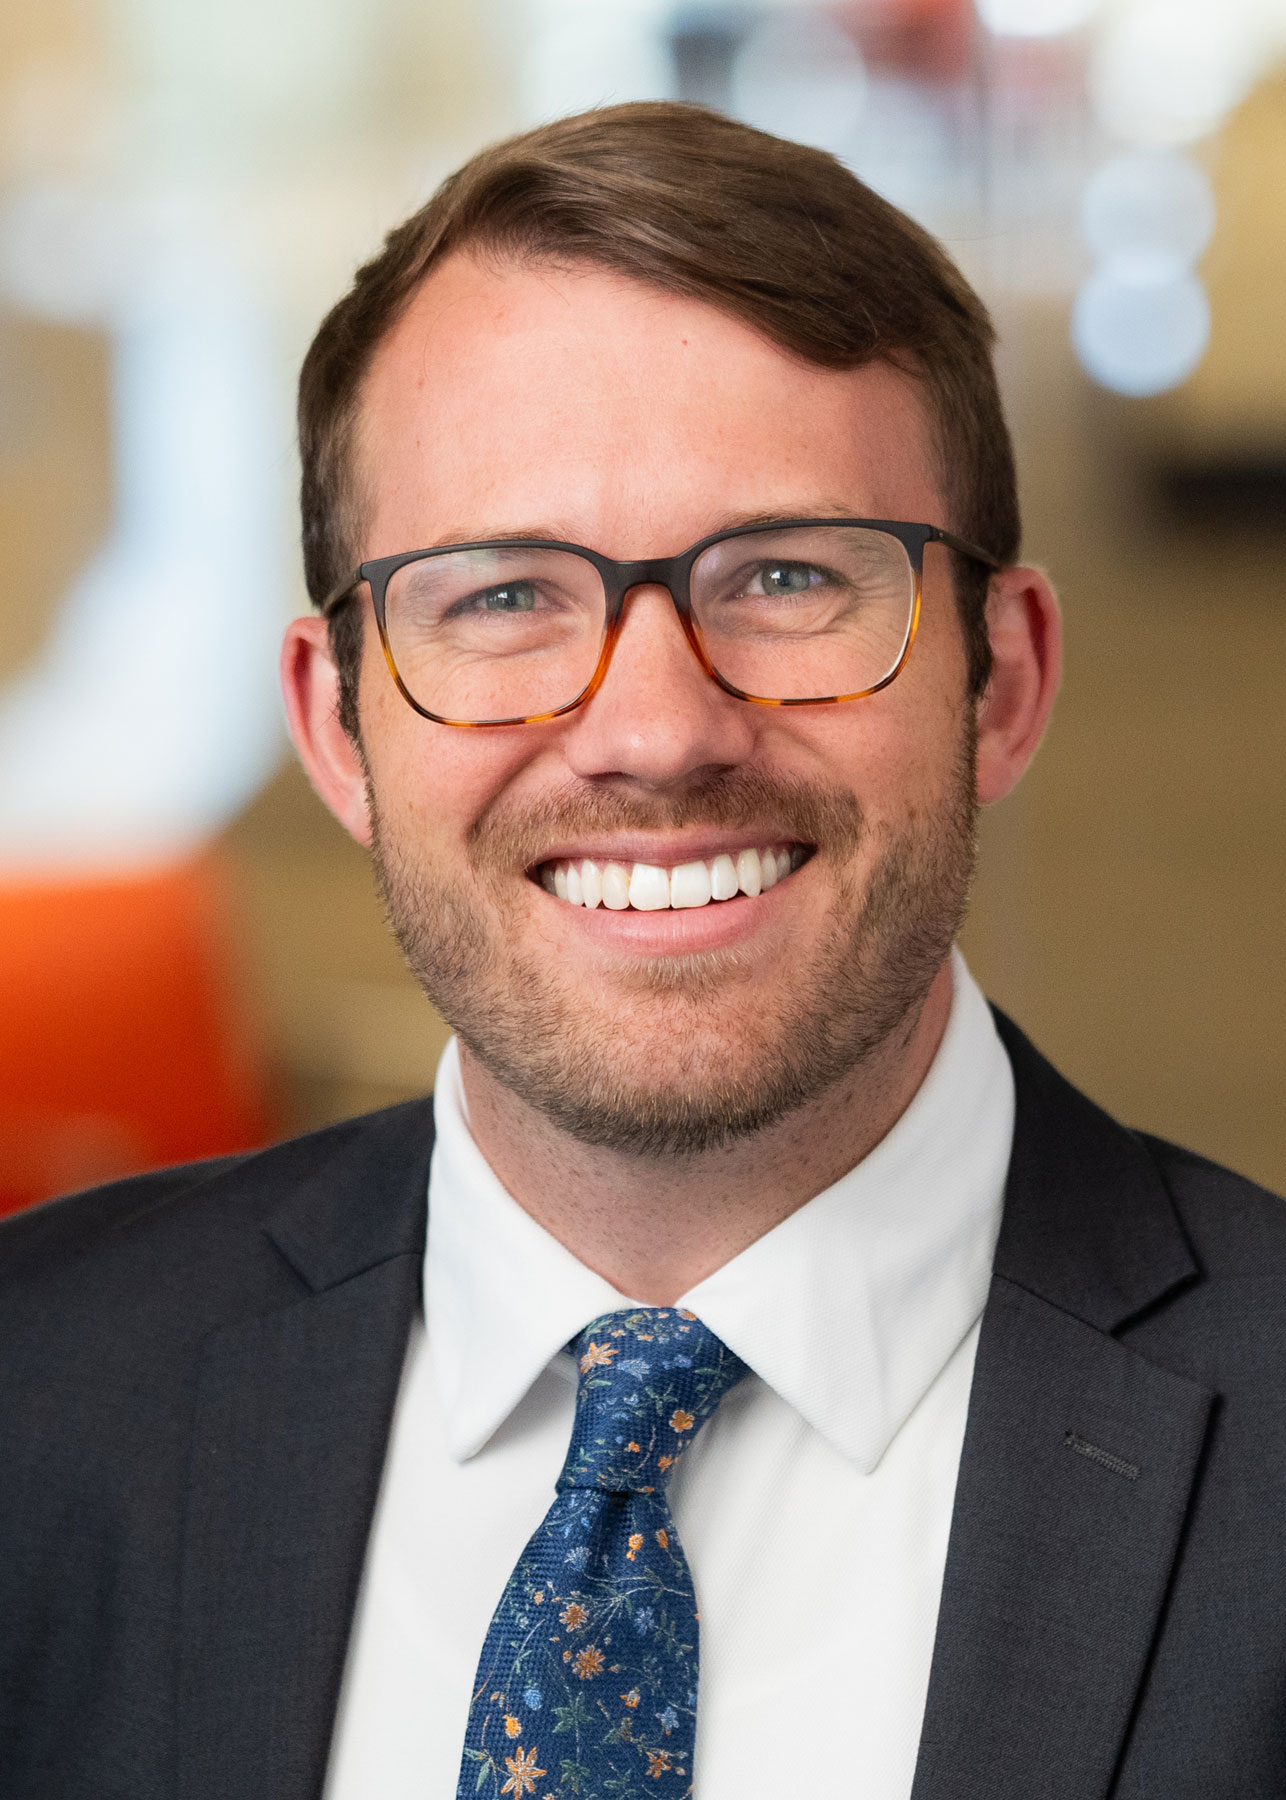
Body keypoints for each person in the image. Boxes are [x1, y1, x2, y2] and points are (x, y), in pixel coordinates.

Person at [2, 101, 1284, 1800]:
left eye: (787, 577)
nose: (657, 733)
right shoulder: (36, 1399)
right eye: (502, 597)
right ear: (333, 729)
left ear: (1004, 681)